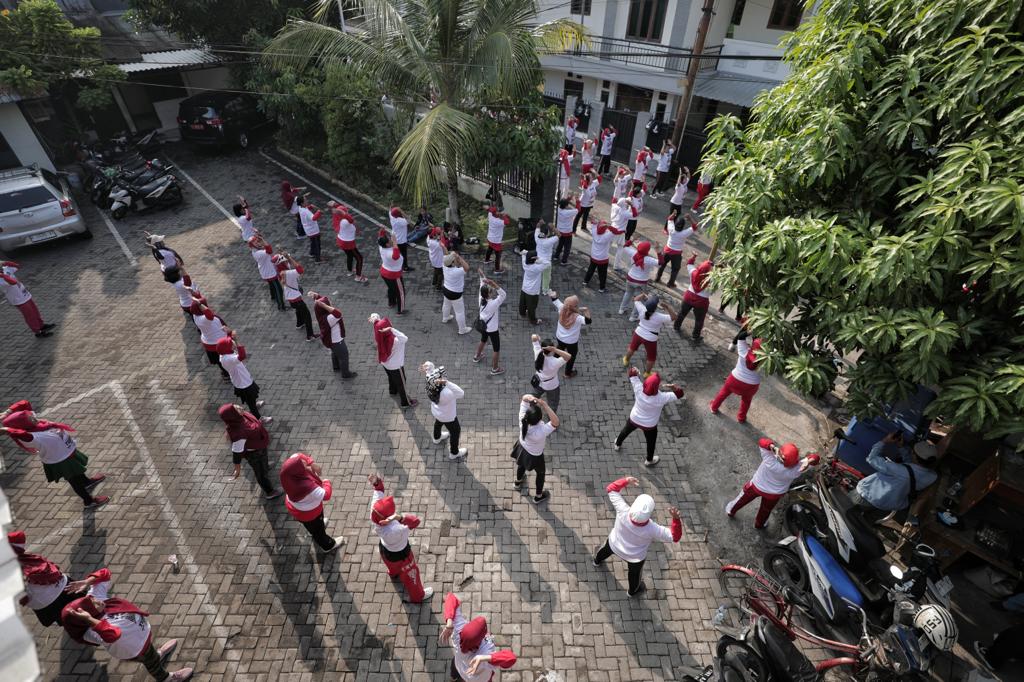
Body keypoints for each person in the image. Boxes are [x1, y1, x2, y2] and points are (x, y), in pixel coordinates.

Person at [61, 572, 193, 681]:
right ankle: (167, 678)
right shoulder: (92, 632)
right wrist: (90, 620)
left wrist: (87, 582)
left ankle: (157, 655)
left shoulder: (95, 600)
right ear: (88, 615)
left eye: (92, 598)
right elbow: (112, 634)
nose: (96, 599)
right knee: (151, 664)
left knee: (152, 655)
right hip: (136, 649)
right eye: (92, 603)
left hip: (142, 637)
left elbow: (105, 574)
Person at [593, 477, 682, 595]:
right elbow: (674, 537)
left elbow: (611, 489)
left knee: (604, 550)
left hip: (614, 544)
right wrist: (676, 519)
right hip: (635, 558)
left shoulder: (622, 510)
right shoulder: (652, 529)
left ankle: (597, 561)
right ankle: (632, 591)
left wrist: (626, 480)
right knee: (634, 575)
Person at [6, 531, 110, 627]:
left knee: (67, 618)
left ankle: (80, 624)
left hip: (44, 604)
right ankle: (93, 622)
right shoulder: (31, 560)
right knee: (88, 608)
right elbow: (18, 535)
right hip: (64, 589)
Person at [368, 474, 434, 602]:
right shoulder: (396, 529)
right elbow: (415, 522)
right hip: (403, 556)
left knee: (392, 567)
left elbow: (378, 492)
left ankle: (393, 574)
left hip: (386, 551)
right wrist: (399, 518)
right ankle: (418, 596)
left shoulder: (374, 512)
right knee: (412, 576)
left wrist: (376, 483)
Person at [726, 438, 818, 528]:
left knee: (741, 499)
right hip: (774, 495)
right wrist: (808, 461)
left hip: (756, 487)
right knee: (765, 510)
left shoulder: (769, 459)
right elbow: (816, 458)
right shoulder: (797, 469)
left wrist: (773, 447)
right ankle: (759, 524)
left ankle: (731, 511)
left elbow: (762, 441)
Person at [851, 433, 939, 518]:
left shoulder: (896, 469)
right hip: (886, 508)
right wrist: (900, 447)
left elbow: (871, 459)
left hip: (866, 497)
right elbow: (911, 468)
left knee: (844, 512)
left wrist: (884, 441)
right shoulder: (932, 476)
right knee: (864, 525)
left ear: (914, 456)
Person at [440, 593, 518, 682]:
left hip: (460, 666)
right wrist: (484, 658)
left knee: (454, 670)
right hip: (478, 678)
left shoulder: (458, 632)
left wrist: (450, 623)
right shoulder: (486, 651)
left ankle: (453, 678)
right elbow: (511, 658)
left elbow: (450, 597)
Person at [613, 368, 683, 467]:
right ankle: (649, 460)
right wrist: (674, 388)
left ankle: (617, 444)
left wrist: (635, 371)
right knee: (651, 442)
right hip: (650, 425)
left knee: (625, 430)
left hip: (635, 418)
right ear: (656, 387)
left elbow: (632, 374)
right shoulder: (661, 397)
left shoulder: (639, 389)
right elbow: (680, 394)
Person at [280, 452, 345, 553]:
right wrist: (326, 482)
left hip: (298, 510)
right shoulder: (306, 486)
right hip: (310, 513)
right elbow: (326, 495)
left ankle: (316, 527)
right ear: (298, 469)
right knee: (318, 532)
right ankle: (328, 545)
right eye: (301, 464)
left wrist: (312, 463)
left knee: (311, 526)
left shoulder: (288, 472)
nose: (303, 462)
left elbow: (298, 455)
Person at [218, 403, 282, 500]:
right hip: (254, 454)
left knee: (263, 462)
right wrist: (237, 469)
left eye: (236, 406)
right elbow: (236, 453)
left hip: (260, 447)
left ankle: (265, 466)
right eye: (236, 409)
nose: (240, 407)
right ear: (233, 416)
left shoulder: (240, 417)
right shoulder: (239, 434)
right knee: (260, 474)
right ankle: (270, 492)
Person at [710, 326, 763, 423]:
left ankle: (714, 407)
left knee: (723, 393)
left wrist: (751, 332)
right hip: (752, 385)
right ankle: (741, 418)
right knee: (746, 401)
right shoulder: (766, 358)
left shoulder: (743, 350)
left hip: (735, 379)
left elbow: (741, 336)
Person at [512, 395, 558, 504]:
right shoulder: (541, 431)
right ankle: (538, 496)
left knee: (521, 465)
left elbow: (524, 398)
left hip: (521, 448)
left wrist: (532, 399)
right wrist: (545, 405)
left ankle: (517, 483)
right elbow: (556, 422)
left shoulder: (522, 419)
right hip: (535, 456)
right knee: (540, 473)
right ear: (540, 419)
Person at [217, 334, 272, 423]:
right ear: (227, 348)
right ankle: (258, 418)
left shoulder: (225, 353)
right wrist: (237, 342)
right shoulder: (228, 359)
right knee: (250, 400)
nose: (233, 343)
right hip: (244, 383)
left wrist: (230, 334)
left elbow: (227, 343)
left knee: (252, 397)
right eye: (231, 343)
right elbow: (242, 355)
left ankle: (254, 404)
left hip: (243, 380)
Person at [422, 362, 467, 459]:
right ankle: (454, 453)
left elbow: (429, 368)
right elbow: (461, 393)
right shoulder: (446, 393)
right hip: (448, 416)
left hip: (436, 411)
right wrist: (446, 382)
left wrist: (427, 366)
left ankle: (437, 438)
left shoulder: (429, 381)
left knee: (438, 423)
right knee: (455, 431)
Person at [371, 314, 417, 408]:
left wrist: (375, 320)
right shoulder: (396, 340)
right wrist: (392, 329)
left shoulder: (379, 337)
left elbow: (377, 326)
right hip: (395, 365)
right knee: (402, 383)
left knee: (391, 377)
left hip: (385, 363)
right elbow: (405, 338)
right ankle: (406, 402)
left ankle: (392, 391)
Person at [1, 261, 56, 338]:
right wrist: (2, 275)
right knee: (30, 316)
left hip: (25, 295)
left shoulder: (4, 269)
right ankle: (38, 332)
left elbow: (17, 266)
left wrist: (5, 263)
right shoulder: (1, 280)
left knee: (35, 312)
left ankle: (42, 326)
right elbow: (13, 282)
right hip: (18, 300)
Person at [310, 291, 357, 379]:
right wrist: (324, 305)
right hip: (336, 340)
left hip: (330, 340)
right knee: (344, 356)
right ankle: (346, 374)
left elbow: (321, 306)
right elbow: (338, 313)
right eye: (328, 304)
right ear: (325, 308)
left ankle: (336, 367)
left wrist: (318, 297)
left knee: (334, 352)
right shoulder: (330, 317)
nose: (331, 303)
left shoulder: (321, 315)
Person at [674, 252, 714, 341]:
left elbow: (689, 264)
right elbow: (713, 291)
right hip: (701, 302)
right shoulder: (713, 280)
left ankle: (676, 326)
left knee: (682, 313)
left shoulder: (694, 272)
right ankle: (695, 336)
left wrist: (694, 256)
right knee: (699, 320)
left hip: (688, 297)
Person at [549, 293, 591, 377]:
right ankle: (567, 373)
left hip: (559, 337)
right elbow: (588, 321)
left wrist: (553, 295)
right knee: (571, 356)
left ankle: (553, 364)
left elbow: (555, 300)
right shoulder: (577, 317)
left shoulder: (561, 308)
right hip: (571, 341)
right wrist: (586, 310)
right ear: (574, 306)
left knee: (560, 348)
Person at [277, 252, 317, 340]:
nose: (288, 262)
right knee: (307, 315)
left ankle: (299, 324)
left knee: (298, 310)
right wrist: (289, 258)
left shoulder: (280, 272)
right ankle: (310, 335)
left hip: (290, 298)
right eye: (286, 261)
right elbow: (300, 269)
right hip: (296, 299)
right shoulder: (289, 273)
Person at [474, 272, 507, 375]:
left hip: (484, 326)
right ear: (488, 294)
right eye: (490, 290)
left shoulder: (481, 299)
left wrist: (482, 276)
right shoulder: (493, 303)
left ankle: (477, 356)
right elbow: (503, 294)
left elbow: (482, 285)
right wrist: (494, 284)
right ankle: (495, 368)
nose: (492, 290)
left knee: (483, 340)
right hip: (492, 329)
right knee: (496, 348)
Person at [618, 241, 661, 319]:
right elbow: (660, 263)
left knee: (628, 293)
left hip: (630, 278)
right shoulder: (648, 259)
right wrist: (658, 250)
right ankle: (633, 317)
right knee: (639, 299)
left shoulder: (633, 253)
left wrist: (632, 239)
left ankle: (622, 309)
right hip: (641, 282)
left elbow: (625, 246)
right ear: (647, 251)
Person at [190, 299, 231, 379]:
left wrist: (197, 302)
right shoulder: (206, 319)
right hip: (219, 342)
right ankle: (229, 373)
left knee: (219, 361)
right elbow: (210, 315)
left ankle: (225, 373)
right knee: (226, 358)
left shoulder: (195, 316)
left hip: (208, 342)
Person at [655, 213, 699, 289]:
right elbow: (695, 226)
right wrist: (690, 218)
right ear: (682, 226)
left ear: (675, 224)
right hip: (677, 254)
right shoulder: (684, 233)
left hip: (667, 251)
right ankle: (670, 283)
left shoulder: (671, 228)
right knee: (675, 269)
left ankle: (657, 278)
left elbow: (669, 219)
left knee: (662, 265)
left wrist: (674, 214)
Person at [530, 335, 570, 413]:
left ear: (542, 348)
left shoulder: (538, 354)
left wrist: (538, 337)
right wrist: (555, 350)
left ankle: (532, 410)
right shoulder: (555, 362)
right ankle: (551, 419)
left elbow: (534, 337)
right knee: (553, 403)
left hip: (538, 382)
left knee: (533, 397)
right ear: (551, 350)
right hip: (552, 385)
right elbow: (568, 356)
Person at [330, 202, 368, 283]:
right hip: (348, 243)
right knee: (359, 258)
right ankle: (358, 276)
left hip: (341, 241)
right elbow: (351, 219)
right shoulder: (345, 221)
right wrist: (342, 212)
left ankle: (350, 271)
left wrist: (336, 206)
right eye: (346, 211)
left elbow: (343, 214)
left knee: (349, 255)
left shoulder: (337, 218)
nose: (347, 212)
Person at [246, 237, 286, 311]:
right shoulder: (258, 253)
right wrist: (263, 240)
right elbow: (269, 250)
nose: (257, 243)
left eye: (257, 241)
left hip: (265, 271)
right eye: (255, 242)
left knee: (271, 285)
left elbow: (266, 248)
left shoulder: (256, 250)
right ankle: (281, 306)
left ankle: (273, 296)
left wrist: (260, 239)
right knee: (279, 289)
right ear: (252, 245)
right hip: (269, 272)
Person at [583, 221, 619, 293]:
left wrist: (597, 223)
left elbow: (593, 224)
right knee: (602, 274)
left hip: (594, 256)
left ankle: (585, 281)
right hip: (603, 259)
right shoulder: (607, 235)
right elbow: (616, 231)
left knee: (591, 269)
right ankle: (601, 288)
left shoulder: (594, 232)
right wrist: (608, 226)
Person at [441, 251, 473, 335]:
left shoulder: (444, 264)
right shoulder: (456, 271)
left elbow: (446, 255)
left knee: (446, 304)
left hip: (446, 289)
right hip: (455, 293)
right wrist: (459, 258)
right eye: (454, 259)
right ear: (452, 263)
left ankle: (445, 318)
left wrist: (452, 255)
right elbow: (467, 267)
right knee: (459, 312)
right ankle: (462, 329)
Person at [378, 231, 407, 314]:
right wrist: (395, 242)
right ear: (387, 244)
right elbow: (396, 256)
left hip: (384, 272)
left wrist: (382, 231)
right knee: (400, 292)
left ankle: (391, 303)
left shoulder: (381, 247)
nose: (391, 239)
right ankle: (400, 310)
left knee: (391, 288)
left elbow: (380, 236)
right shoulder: (391, 253)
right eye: (389, 240)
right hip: (394, 275)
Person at [518, 250, 548, 325]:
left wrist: (526, 253)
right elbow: (547, 263)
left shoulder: (525, 263)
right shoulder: (537, 268)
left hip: (524, 287)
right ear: (534, 258)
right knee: (532, 306)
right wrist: (539, 258)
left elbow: (523, 254)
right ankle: (533, 320)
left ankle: (522, 312)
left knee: (523, 302)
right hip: (533, 290)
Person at [294, 195, 324, 263]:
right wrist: (319, 212)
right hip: (313, 230)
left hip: (308, 230)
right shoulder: (306, 212)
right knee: (317, 244)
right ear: (302, 203)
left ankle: (312, 253)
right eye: (305, 200)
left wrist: (310, 207)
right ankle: (318, 259)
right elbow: (314, 218)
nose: (307, 201)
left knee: (313, 242)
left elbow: (306, 208)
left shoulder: (300, 208)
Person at [533, 222, 559, 297]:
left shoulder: (537, 238)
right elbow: (559, 235)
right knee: (546, 277)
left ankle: (535, 288)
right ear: (547, 234)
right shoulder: (549, 241)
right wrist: (553, 228)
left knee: (537, 275)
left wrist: (540, 223)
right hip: (546, 262)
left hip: (537, 260)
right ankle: (545, 291)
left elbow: (537, 226)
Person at [552, 197, 579, 265]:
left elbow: (563, 203)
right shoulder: (568, 212)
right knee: (567, 247)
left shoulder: (559, 209)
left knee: (560, 244)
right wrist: (577, 201)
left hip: (560, 231)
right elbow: (578, 209)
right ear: (566, 206)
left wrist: (569, 198)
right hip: (567, 233)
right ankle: (564, 261)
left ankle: (556, 256)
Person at [389, 206, 413, 271]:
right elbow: (409, 220)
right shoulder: (401, 221)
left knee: (396, 254)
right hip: (401, 241)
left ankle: (396, 266)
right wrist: (402, 212)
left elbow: (390, 211)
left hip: (394, 240)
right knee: (404, 255)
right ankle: (405, 267)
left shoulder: (392, 218)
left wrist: (392, 207)